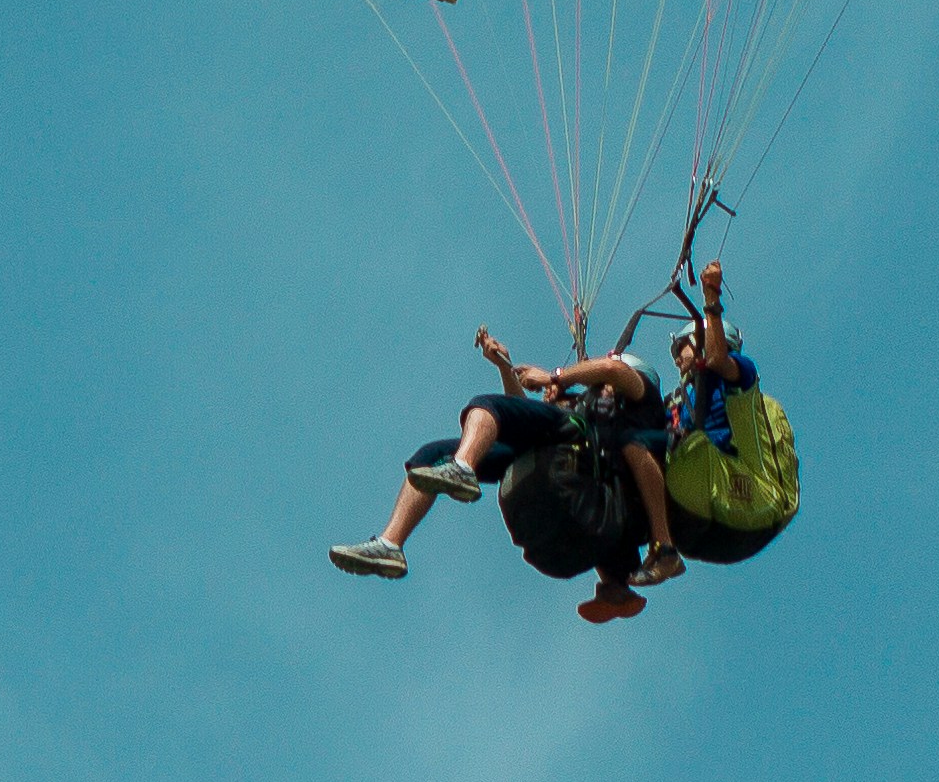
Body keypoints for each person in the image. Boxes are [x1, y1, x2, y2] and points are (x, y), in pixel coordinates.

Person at [331, 324, 681, 614]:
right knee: (432, 454)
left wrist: (552, 377)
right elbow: (521, 415)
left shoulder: (639, 397)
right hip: (562, 459)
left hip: (580, 453)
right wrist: (505, 366)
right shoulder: (580, 412)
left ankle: (462, 468)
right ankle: (391, 544)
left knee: (486, 406)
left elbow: (612, 370)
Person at [651, 263, 796, 562]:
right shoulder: (678, 402)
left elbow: (717, 360)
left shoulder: (739, 374)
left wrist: (711, 299)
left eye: (683, 347)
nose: (678, 357)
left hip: (740, 497)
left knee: (680, 446)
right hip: (697, 527)